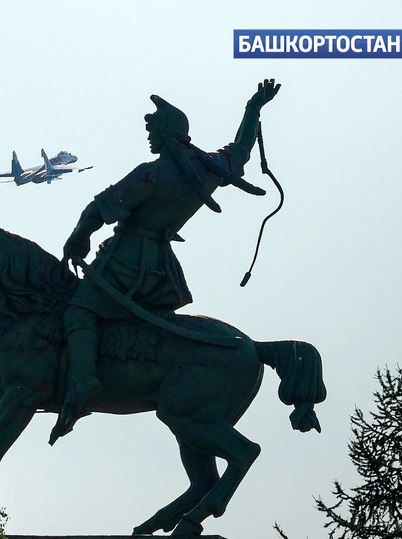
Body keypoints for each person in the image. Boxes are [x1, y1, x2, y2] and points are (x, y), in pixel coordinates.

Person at [50, 79, 280, 444]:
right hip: (160, 272)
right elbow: (241, 150)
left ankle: (83, 382)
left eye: (153, 131)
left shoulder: (151, 174)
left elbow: (99, 209)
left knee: (78, 311)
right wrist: (253, 110)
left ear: (167, 134)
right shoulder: (207, 169)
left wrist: (78, 238)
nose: (149, 138)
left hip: (125, 262)